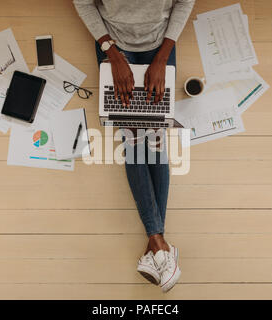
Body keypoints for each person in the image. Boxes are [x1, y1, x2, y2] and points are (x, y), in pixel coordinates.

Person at [73, 0, 194, 292]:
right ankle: (159, 245)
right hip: (113, 45)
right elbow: (83, 2)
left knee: (153, 137)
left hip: (160, 43)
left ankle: (157, 245)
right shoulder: (111, 50)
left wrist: (163, 57)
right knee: (133, 137)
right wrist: (111, 53)